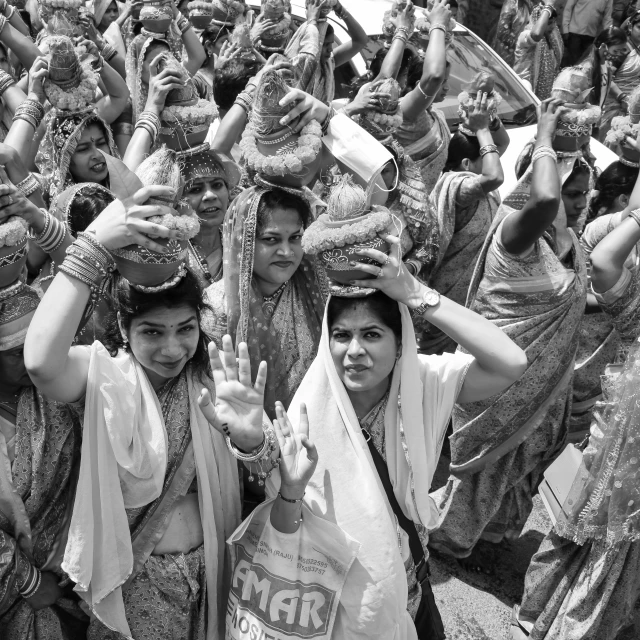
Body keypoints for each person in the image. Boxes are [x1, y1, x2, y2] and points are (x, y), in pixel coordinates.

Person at [22, 185, 269, 639]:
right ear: (122, 326)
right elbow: (40, 363)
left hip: (215, 569)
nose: (173, 348)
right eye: (153, 332)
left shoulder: (214, 380)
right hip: (135, 587)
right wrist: (95, 241)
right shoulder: (105, 380)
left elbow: (275, 475)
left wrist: (252, 440)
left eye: (185, 329)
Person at [263, 224, 527, 638]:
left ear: (400, 341)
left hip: (409, 588)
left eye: (371, 335)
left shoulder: (423, 384)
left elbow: (511, 363)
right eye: (341, 336)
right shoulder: (310, 408)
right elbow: (284, 532)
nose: (354, 352)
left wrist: (416, 292)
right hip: (332, 603)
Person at [429, 98, 588, 573]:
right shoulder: (515, 235)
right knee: (481, 470)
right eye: (570, 192)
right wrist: (542, 138)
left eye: (583, 193)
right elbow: (543, 201)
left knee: (520, 467)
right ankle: (443, 543)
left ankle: (490, 534)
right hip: (500, 385)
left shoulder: (572, 244)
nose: (578, 204)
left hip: (545, 387)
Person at [511, 199, 640, 640]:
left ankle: (542, 620)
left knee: (607, 549)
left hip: (614, 453)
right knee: (590, 536)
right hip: (616, 455)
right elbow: (603, 262)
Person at [0, 281, 89, 640]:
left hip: (68, 575)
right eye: (13, 352)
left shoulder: (56, 393)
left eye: (36, 345)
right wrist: (30, 581)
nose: (31, 359)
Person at [203, 186, 327, 416]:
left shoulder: (317, 291)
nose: (287, 251)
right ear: (243, 240)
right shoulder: (217, 307)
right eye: (271, 239)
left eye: (296, 238)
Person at [419, 92, 505, 355]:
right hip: (448, 295)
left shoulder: (475, 184)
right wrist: (480, 129)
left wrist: (488, 121)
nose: (495, 157)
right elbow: (494, 176)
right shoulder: (457, 186)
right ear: (467, 164)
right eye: (488, 155)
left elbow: (499, 147)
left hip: (471, 295)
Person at [394, 0, 453, 194]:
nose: (446, 87)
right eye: (444, 82)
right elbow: (433, 77)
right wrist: (438, 25)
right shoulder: (407, 111)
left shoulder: (436, 115)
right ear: (416, 83)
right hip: (405, 206)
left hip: (429, 207)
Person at [285, 0, 367, 104]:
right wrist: (311, 21)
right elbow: (310, 56)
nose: (330, 49)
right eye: (324, 44)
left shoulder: (328, 63)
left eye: (330, 44)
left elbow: (360, 41)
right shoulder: (294, 69)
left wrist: (340, 9)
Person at [513, 3, 564, 100]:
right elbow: (536, 35)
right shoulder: (524, 36)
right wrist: (548, 8)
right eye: (549, 23)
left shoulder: (553, 42)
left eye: (554, 22)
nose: (553, 26)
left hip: (543, 96)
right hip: (523, 93)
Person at [600, 18, 640, 141]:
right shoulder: (623, 49)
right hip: (615, 105)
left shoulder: (637, 48)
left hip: (631, 107)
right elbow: (606, 76)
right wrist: (622, 97)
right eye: (639, 27)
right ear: (630, 27)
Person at [563, 0, 614, 66]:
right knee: (572, 64)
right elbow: (568, 8)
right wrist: (565, 29)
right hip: (574, 33)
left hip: (591, 36)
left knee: (584, 65)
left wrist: (610, 36)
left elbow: (607, 18)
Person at [493, 0, 537, 68]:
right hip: (504, 52)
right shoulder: (510, 4)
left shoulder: (528, 5)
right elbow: (502, 33)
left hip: (519, 54)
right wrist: (519, 43)